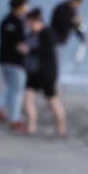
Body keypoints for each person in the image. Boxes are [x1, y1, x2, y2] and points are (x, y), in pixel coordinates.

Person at [0, 0, 29, 132]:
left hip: (3, 60)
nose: (27, 8)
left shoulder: (6, 21)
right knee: (17, 91)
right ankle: (14, 119)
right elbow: (20, 43)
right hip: (15, 62)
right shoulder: (16, 22)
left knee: (12, 88)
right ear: (20, 6)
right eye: (26, 5)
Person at [23, 8, 66, 137]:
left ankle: (61, 129)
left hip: (47, 73)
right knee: (28, 100)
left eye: (28, 22)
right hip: (33, 73)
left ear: (34, 21)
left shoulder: (48, 33)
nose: (27, 25)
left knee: (52, 101)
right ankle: (31, 127)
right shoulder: (30, 35)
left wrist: (29, 50)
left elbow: (47, 52)